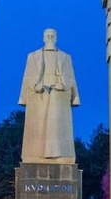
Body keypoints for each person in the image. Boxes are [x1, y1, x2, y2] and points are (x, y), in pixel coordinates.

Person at [18, 28, 80, 163]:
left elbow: (70, 77)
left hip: (59, 94)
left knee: (57, 128)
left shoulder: (65, 57)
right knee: (39, 127)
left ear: (56, 38)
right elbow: (27, 77)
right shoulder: (33, 56)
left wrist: (63, 85)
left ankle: (60, 155)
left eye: (53, 36)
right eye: (48, 35)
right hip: (39, 94)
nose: (50, 38)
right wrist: (35, 85)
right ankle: (35, 156)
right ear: (43, 38)